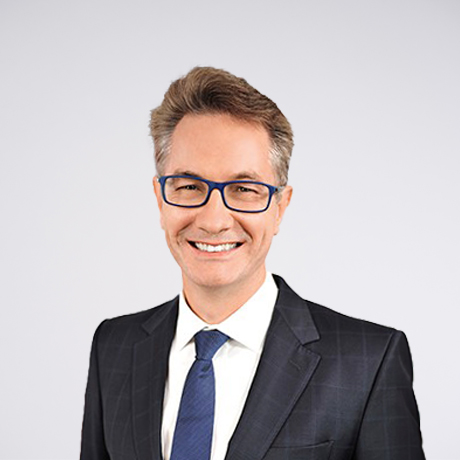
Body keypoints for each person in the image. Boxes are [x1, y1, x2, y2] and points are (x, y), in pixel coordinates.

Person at [80, 67, 425, 460]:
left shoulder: (368, 363)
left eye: (244, 189)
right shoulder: (114, 347)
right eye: (189, 186)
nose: (213, 221)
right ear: (161, 200)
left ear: (280, 207)